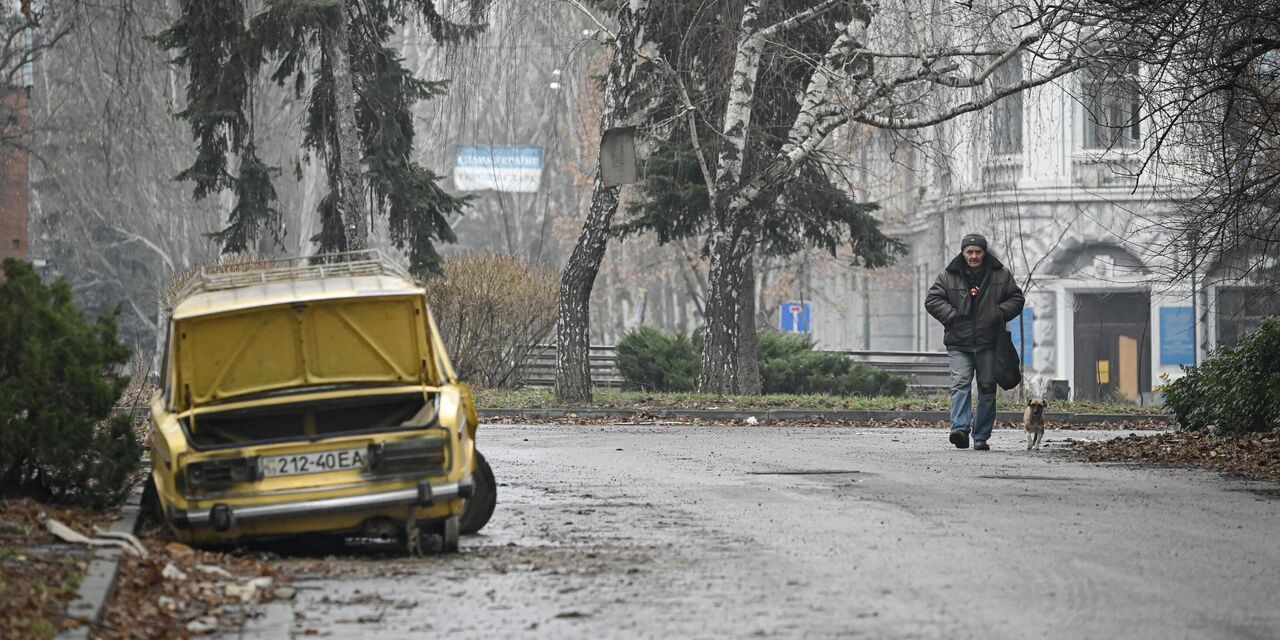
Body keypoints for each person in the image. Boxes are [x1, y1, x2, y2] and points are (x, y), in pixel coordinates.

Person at [924, 234, 1025, 451]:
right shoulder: (948, 275)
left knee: (987, 388)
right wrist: (952, 315)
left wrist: (998, 313)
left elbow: (1017, 299)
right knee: (960, 384)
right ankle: (959, 430)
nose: (973, 256)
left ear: (984, 253)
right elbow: (932, 300)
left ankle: (981, 436)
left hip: (990, 343)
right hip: (959, 343)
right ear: (963, 253)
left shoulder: (1000, 274)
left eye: (978, 252)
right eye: (969, 252)